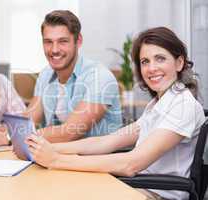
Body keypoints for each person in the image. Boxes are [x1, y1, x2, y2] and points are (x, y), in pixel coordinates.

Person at [26, 27, 206, 200]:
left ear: (179, 63)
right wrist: (47, 149)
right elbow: (108, 141)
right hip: (137, 186)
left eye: (160, 59)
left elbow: (131, 164)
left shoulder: (183, 106)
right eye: (145, 61)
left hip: (155, 194)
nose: (151, 68)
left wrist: (56, 160)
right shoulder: (160, 103)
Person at [24, 10, 122, 143]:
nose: (54, 50)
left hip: (99, 160)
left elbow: (69, 133)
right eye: (48, 42)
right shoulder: (46, 74)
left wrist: (17, 135)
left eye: (62, 41)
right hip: (57, 156)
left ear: (78, 40)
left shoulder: (99, 77)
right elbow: (29, 121)